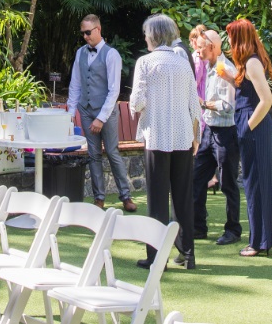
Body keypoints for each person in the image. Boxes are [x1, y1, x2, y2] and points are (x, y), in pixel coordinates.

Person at [130, 14, 201, 269]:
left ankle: (155, 257)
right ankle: (188, 254)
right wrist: (196, 137)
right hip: (183, 136)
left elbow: (137, 102)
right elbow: (195, 105)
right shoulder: (184, 62)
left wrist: (135, 108)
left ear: (153, 35)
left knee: (157, 199)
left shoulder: (145, 62)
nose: (145, 38)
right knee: (182, 198)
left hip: (157, 136)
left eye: (147, 33)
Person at [68, 14, 137, 212]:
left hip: (105, 111)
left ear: (98, 29)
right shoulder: (80, 52)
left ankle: (126, 196)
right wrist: (71, 112)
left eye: (88, 32)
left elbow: (114, 90)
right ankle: (99, 198)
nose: (85, 37)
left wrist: (101, 118)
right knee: (93, 155)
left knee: (113, 152)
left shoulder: (111, 54)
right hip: (86, 109)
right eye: (83, 33)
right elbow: (75, 84)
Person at [225, 18, 272, 257]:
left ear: (240, 39)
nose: (228, 41)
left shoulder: (252, 62)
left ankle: (258, 242)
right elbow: (247, 91)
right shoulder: (249, 62)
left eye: (231, 37)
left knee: (256, 184)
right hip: (251, 127)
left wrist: (247, 126)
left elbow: (266, 100)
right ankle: (262, 240)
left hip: (254, 129)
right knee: (255, 183)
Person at [192, 30, 241, 246]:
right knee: (196, 178)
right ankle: (197, 227)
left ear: (212, 46)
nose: (197, 49)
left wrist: (203, 103)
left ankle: (233, 230)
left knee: (228, 184)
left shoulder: (226, 69)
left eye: (201, 46)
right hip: (208, 132)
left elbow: (228, 107)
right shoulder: (208, 67)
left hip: (226, 133)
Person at [189, 24, 209, 101]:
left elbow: (197, 75)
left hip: (199, 91)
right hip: (207, 87)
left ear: (194, 40)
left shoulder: (197, 54)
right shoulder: (207, 52)